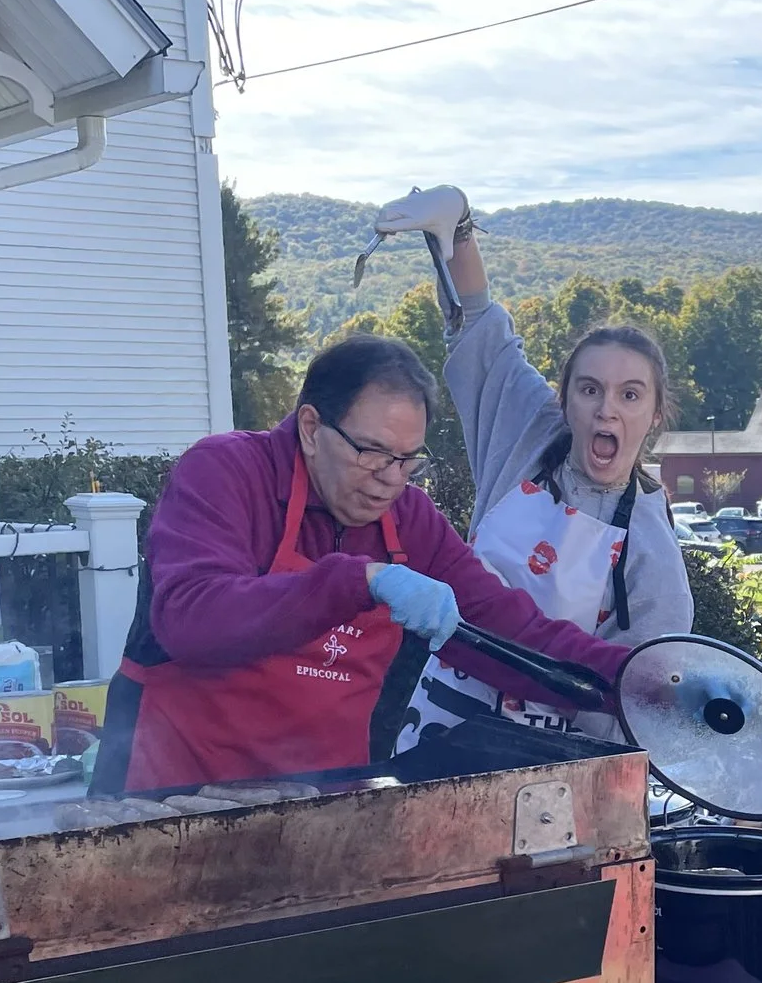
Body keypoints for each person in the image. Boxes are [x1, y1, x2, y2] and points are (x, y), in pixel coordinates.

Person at [91, 334, 639, 793]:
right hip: (171, 804)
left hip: (328, 810)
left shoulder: (409, 518)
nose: (390, 478)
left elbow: (512, 632)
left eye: (408, 459)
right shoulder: (225, 473)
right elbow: (193, 620)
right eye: (372, 451)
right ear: (310, 428)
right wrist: (358, 580)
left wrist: (641, 682)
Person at [380, 188, 693, 748]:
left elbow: (640, 697)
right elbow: (479, 327)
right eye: (590, 389)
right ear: (566, 401)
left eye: (629, 395)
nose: (606, 409)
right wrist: (458, 228)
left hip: (546, 761)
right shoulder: (527, 433)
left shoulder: (650, 547)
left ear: (654, 414)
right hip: (439, 720)